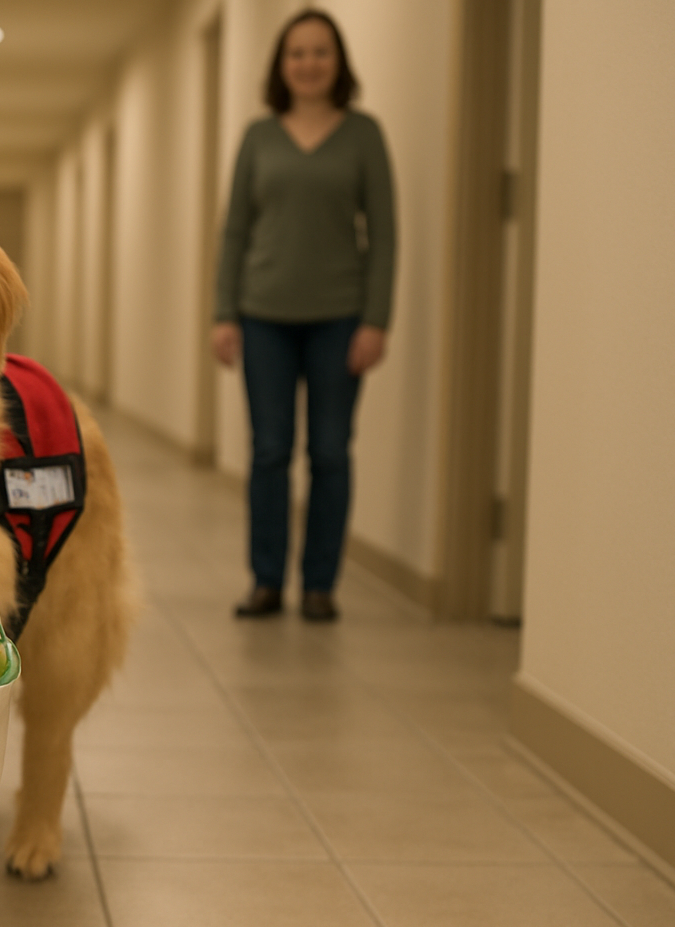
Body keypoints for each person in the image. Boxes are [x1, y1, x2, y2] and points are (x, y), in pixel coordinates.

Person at [210, 8, 396, 622]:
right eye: (297, 53)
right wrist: (224, 312)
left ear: (337, 62)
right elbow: (236, 230)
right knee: (269, 451)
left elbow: (385, 233)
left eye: (320, 52)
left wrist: (376, 319)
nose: (309, 64)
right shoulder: (259, 137)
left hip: (340, 317)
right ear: (281, 66)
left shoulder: (363, 134)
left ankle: (320, 585)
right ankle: (266, 581)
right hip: (263, 314)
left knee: (331, 451)